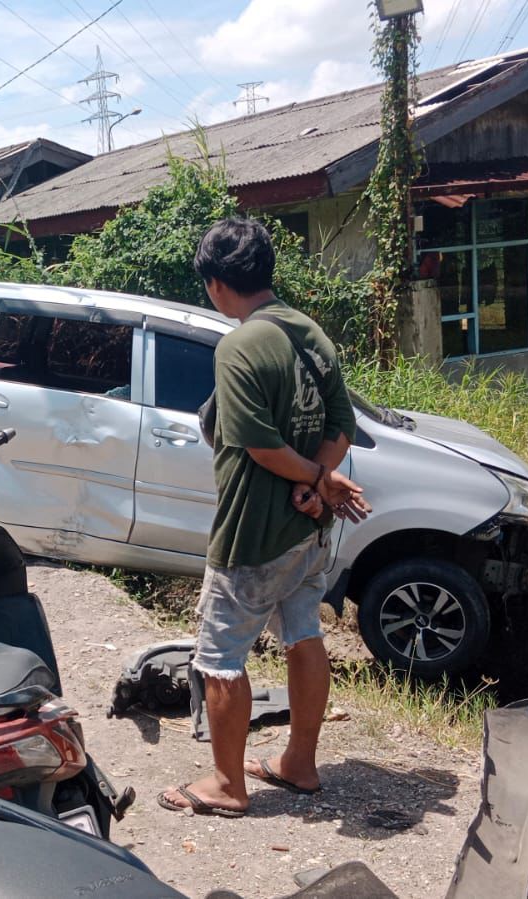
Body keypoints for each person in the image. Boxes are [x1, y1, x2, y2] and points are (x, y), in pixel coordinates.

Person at [158, 218, 371, 818]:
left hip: (253, 532)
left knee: (222, 656)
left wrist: (309, 478)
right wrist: (320, 482)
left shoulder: (241, 344)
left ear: (217, 284)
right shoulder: (310, 333)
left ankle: (227, 784)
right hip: (309, 530)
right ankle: (299, 763)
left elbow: (257, 445)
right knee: (303, 632)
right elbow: (341, 426)